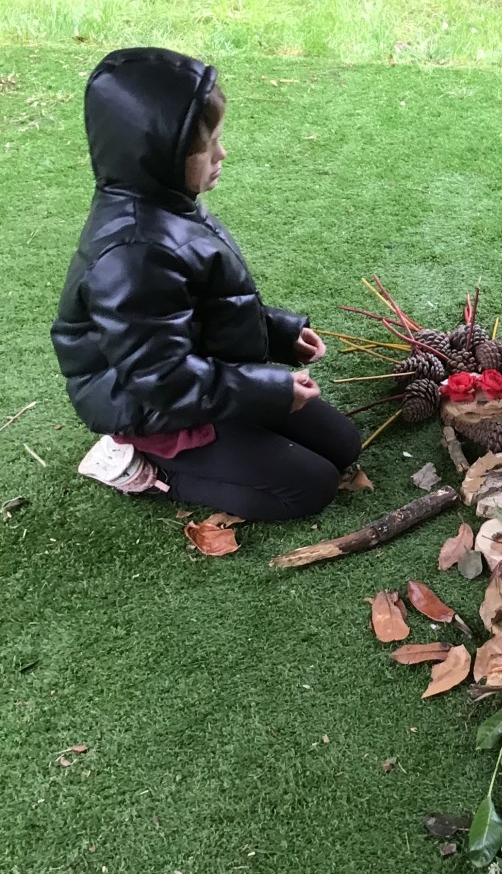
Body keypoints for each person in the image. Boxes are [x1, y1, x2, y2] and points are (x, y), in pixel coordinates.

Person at [51, 47, 361, 520]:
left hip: (199, 377)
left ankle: (232, 438)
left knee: (344, 444)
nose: (222, 153)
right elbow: (163, 379)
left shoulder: (170, 201)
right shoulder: (132, 257)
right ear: (161, 152)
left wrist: (277, 332)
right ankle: (142, 467)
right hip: (154, 407)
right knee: (309, 487)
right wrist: (269, 391)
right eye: (207, 144)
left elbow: (207, 306)